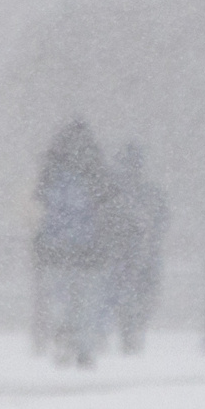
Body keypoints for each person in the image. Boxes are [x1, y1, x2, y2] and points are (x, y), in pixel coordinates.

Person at [34, 119, 109, 366]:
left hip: (56, 247)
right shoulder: (95, 168)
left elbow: (40, 207)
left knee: (61, 298)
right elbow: (106, 208)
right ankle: (85, 347)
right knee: (87, 301)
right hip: (90, 248)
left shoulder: (51, 169)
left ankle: (63, 340)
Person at [103, 142, 170, 354]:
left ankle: (126, 332)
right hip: (143, 255)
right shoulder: (150, 192)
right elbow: (162, 221)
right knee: (141, 297)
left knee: (124, 296)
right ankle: (132, 333)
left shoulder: (113, 194)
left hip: (123, 255)